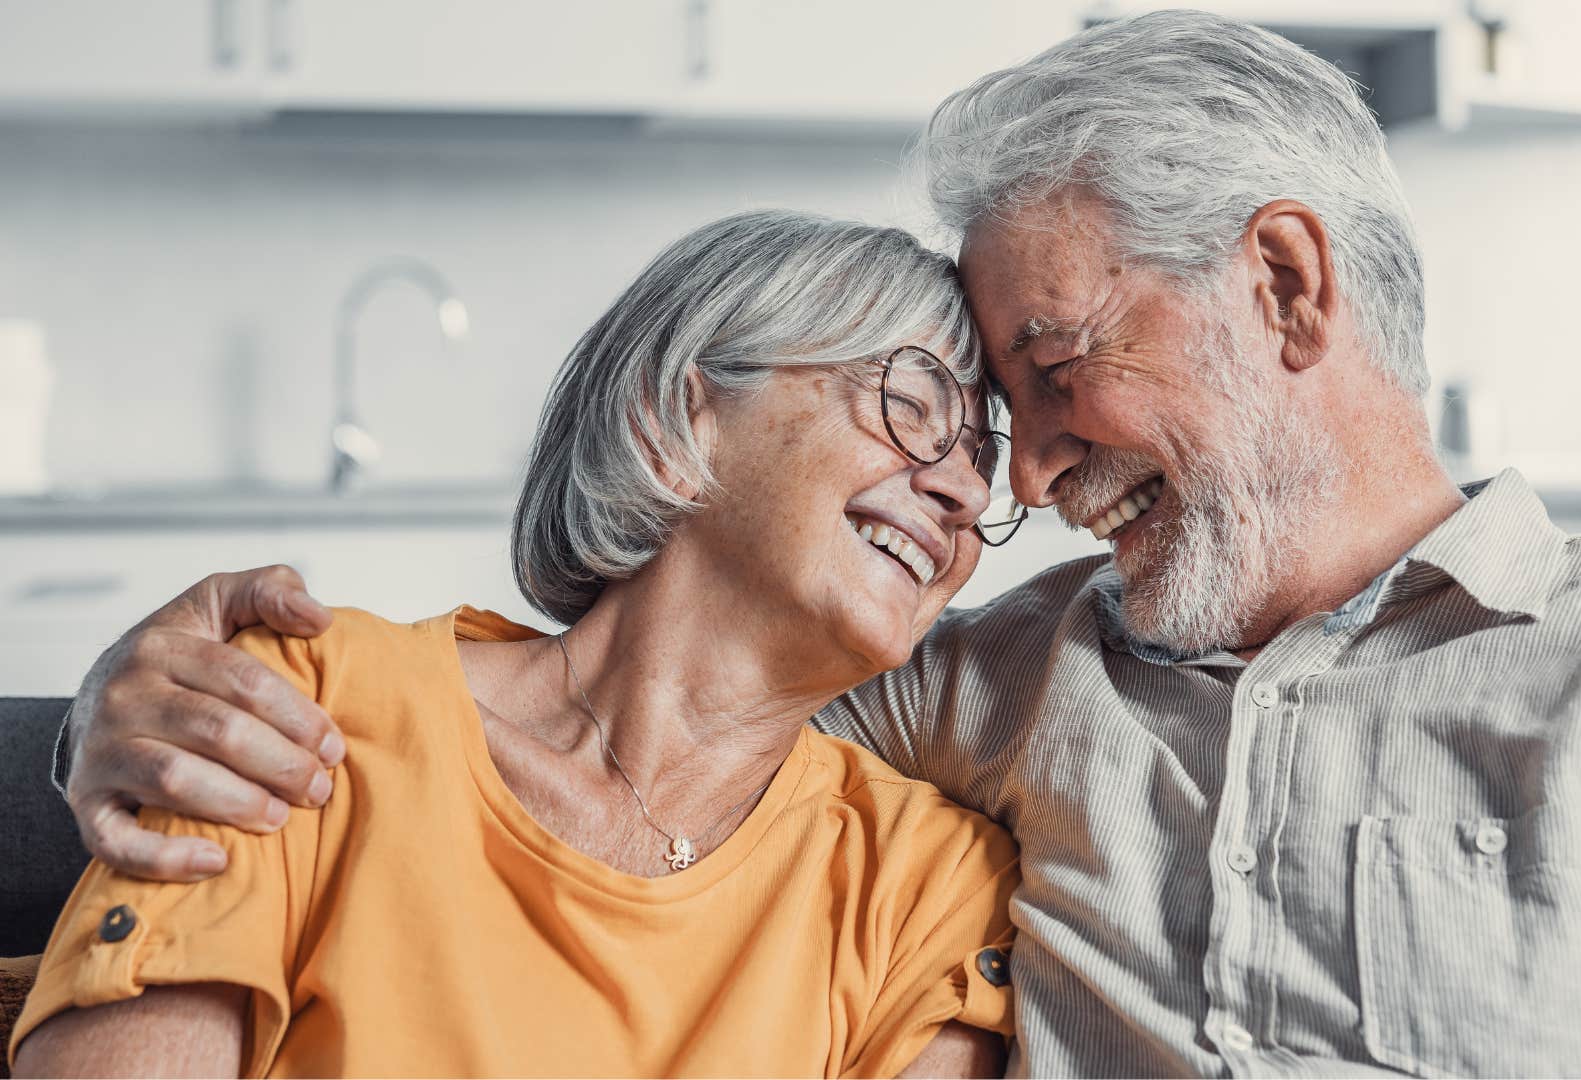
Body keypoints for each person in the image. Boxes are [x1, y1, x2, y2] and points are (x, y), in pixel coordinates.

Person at [43, 10, 1581, 1077]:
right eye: (953, 412)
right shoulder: (984, 685)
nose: (1009, 476)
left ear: (1280, 282)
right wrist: (124, 700)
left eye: (1045, 369)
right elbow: (638, 703)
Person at [9, 211, 1025, 1078]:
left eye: (983, 462)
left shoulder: (928, 885)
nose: (966, 492)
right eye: (911, 408)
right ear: (678, 420)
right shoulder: (307, 711)